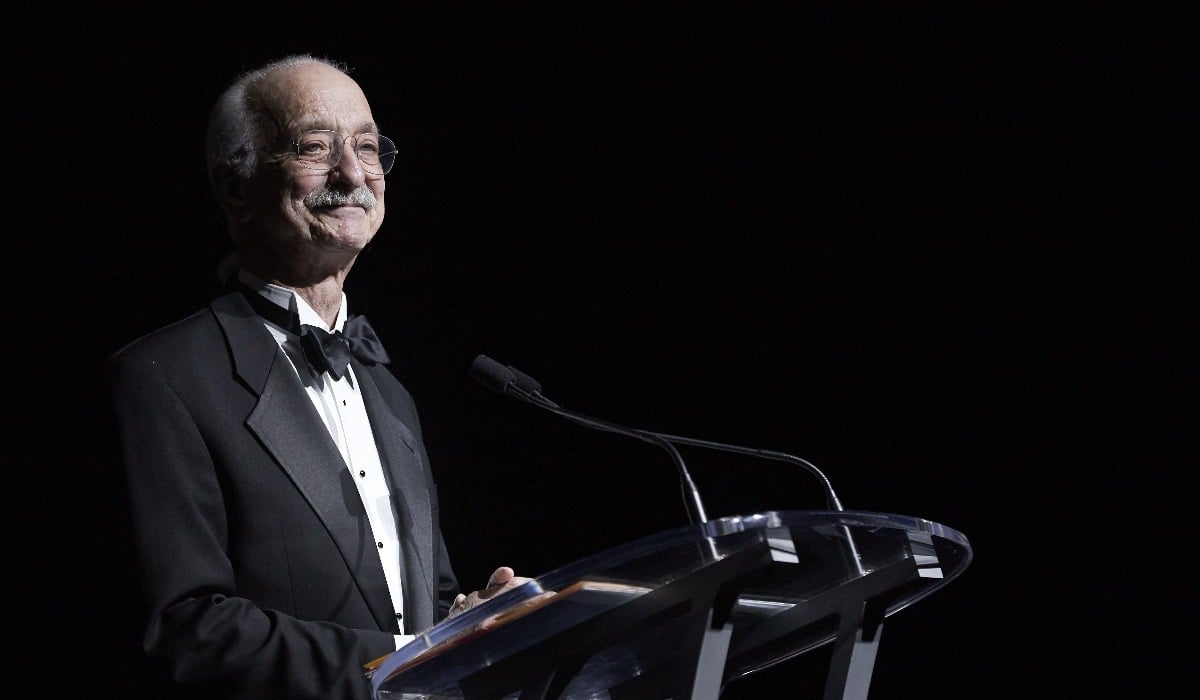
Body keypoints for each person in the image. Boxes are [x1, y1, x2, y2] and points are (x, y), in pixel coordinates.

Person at [107, 54, 526, 700]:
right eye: (314, 147)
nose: (354, 173)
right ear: (236, 190)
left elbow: (423, 604)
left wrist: (466, 624)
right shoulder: (163, 379)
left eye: (367, 147)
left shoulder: (390, 394)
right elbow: (185, 628)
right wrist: (402, 661)